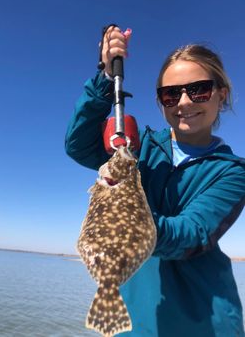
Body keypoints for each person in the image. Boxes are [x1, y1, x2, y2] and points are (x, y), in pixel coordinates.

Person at [65, 25, 245, 336]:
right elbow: (78, 145)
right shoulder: (138, 150)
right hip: (134, 322)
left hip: (207, 324)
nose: (184, 102)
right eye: (171, 94)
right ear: (161, 101)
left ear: (221, 93)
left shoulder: (232, 171)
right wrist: (105, 78)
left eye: (199, 89)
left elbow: (192, 234)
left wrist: (125, 218)